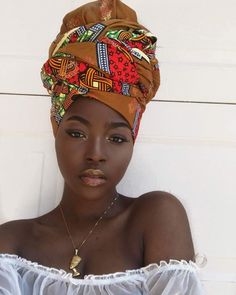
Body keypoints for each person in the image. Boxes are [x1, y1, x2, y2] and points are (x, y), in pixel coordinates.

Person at [0, 0, 204, 294]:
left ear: (133, 141)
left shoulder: (156, 217)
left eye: (117, 138)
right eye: (77, 133)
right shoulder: (10, 245)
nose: (96, 153)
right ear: (56, 130)